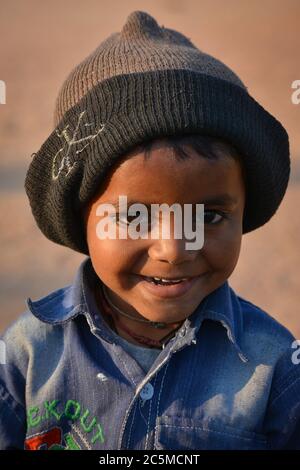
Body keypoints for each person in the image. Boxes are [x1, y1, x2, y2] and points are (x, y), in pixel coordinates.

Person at [0, 10, 299, 450]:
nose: (175, 249)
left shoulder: (274, 364)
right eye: (134, 217)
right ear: (80, 217)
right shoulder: (27, 354)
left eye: (209, 216)